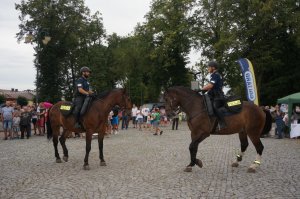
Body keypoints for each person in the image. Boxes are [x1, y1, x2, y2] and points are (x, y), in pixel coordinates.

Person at [201, 61, 226, 129]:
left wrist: (200, 89)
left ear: (213, 68)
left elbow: (210, 85)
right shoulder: (214, 75)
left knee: (215, 106)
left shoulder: (216, 75)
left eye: (209, 67)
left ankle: (222, 123)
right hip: (212, 95)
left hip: (217, 96)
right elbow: (210, 86)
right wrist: (203, 91)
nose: (208, 68)